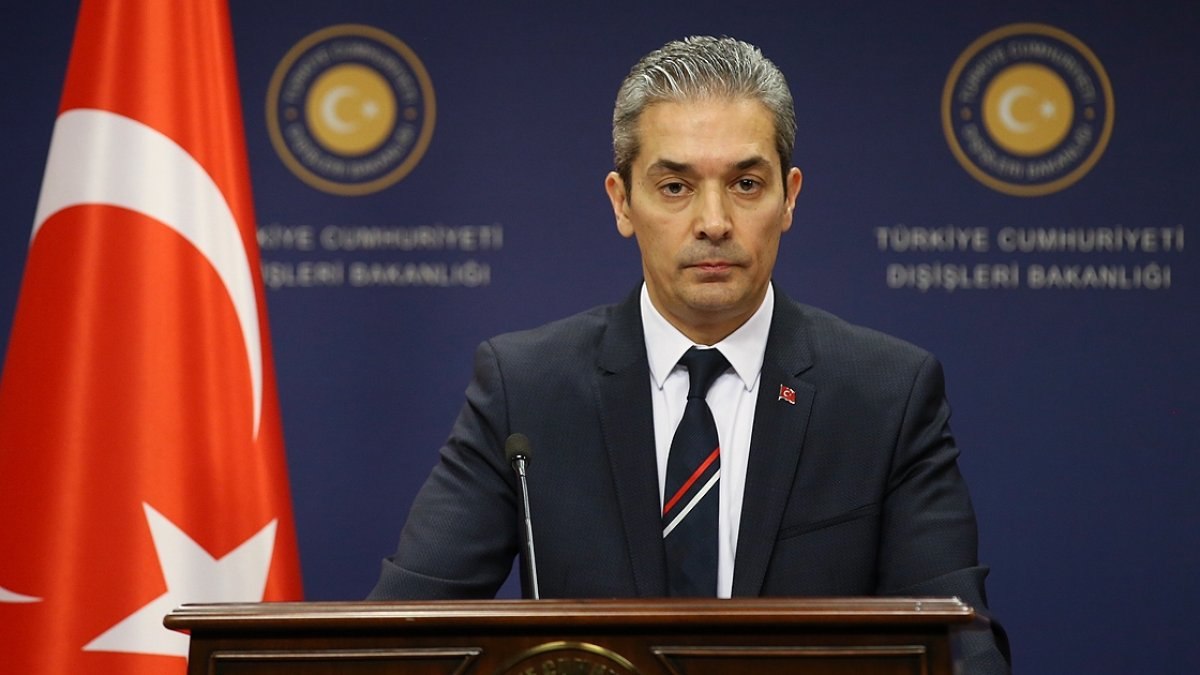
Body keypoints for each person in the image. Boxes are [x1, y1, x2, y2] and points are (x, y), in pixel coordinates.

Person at [369, 35, 1011, 673]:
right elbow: (396, 643)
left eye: (746, 183)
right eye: (675, 186)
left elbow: (962, 651)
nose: (713, 222)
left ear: (789, 197)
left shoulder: (886, 394)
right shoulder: (527, 389)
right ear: (623, 202)